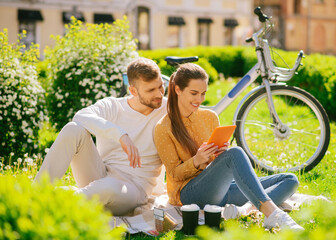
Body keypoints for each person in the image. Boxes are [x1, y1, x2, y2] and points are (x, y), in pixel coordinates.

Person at [154, 63, 304, 230]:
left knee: (290, 180)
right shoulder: (163, 128)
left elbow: (215, 164)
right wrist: (196, 161)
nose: (200, 99)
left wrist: (219, 155)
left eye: (203, 93)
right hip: (189, 194)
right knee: (235, 153)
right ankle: (274, 215)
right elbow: (173, 174)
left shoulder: (210, 117)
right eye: (194, 93)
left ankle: (246, 210)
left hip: (220, 190)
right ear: (177, 90)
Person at [35, 58, 167, 216]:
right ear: (133, 91)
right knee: (73, 129)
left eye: (161, 86)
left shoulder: (167, 107)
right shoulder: (113, 106)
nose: (159, 94)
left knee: (108, 187)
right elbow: (81, 116)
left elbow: (197, 112)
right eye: (151, 90)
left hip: (134, 189)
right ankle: (34, 196)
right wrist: (120, 135)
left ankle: (54, 206)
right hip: (100, 174)